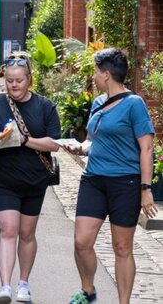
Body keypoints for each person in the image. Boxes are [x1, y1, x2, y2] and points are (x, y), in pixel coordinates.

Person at [65, 48, 158, 304]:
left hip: (125, 183)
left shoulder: (134, 104)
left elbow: (147, 148)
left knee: (121, 247)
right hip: (94, 179)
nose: (93, 76)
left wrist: (145, 188)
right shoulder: (98, 103)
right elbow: (91, 140)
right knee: (81, 241)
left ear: (106, 75)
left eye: (95, 72)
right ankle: (88, 292)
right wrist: (80, 147)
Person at [0, 51, 61, 304]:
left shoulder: (45, 106)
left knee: (26, 234)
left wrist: (24, 140)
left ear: (29, 80)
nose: (14, 85)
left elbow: (53, 144)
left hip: (35, 181)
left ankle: (23, 284)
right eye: (9, 80)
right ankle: (5, 286)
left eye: (19, 80)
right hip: (2, 179)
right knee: (8, 230)